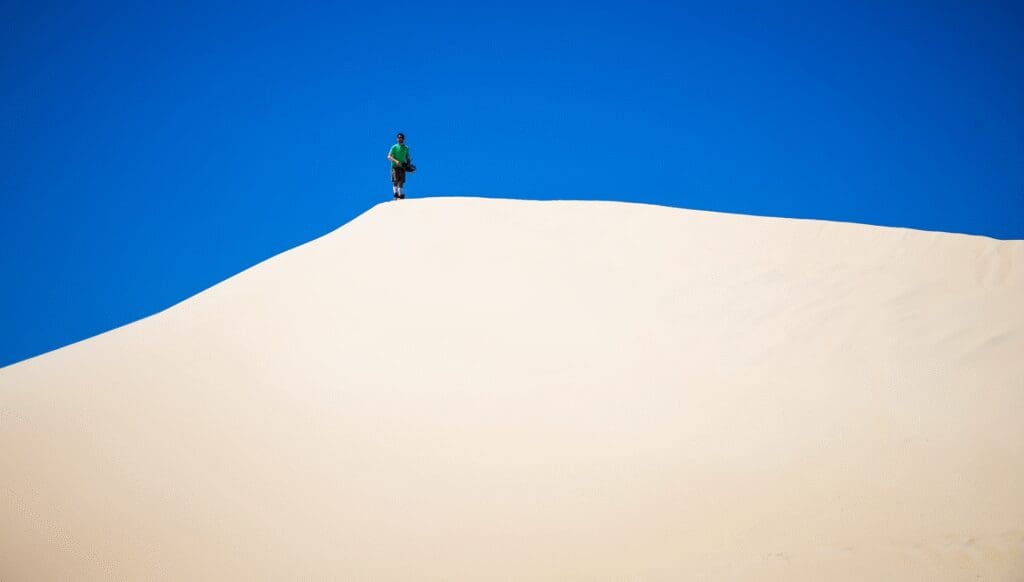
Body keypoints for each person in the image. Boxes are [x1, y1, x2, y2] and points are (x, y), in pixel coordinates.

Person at [387, 133, 411, 199]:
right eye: (398, 138)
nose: (400, 139)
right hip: (395, 166)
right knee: (395, 180)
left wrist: (409, 166)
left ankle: (401, 195)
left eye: (401, 138)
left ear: (403, 139)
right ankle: (395, 194)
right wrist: (395, 161)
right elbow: (389, 156)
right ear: (397, 139)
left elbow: (407, 157)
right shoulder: (394, 147)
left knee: (401, 181)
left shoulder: (406, 148)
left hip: (402, 166)